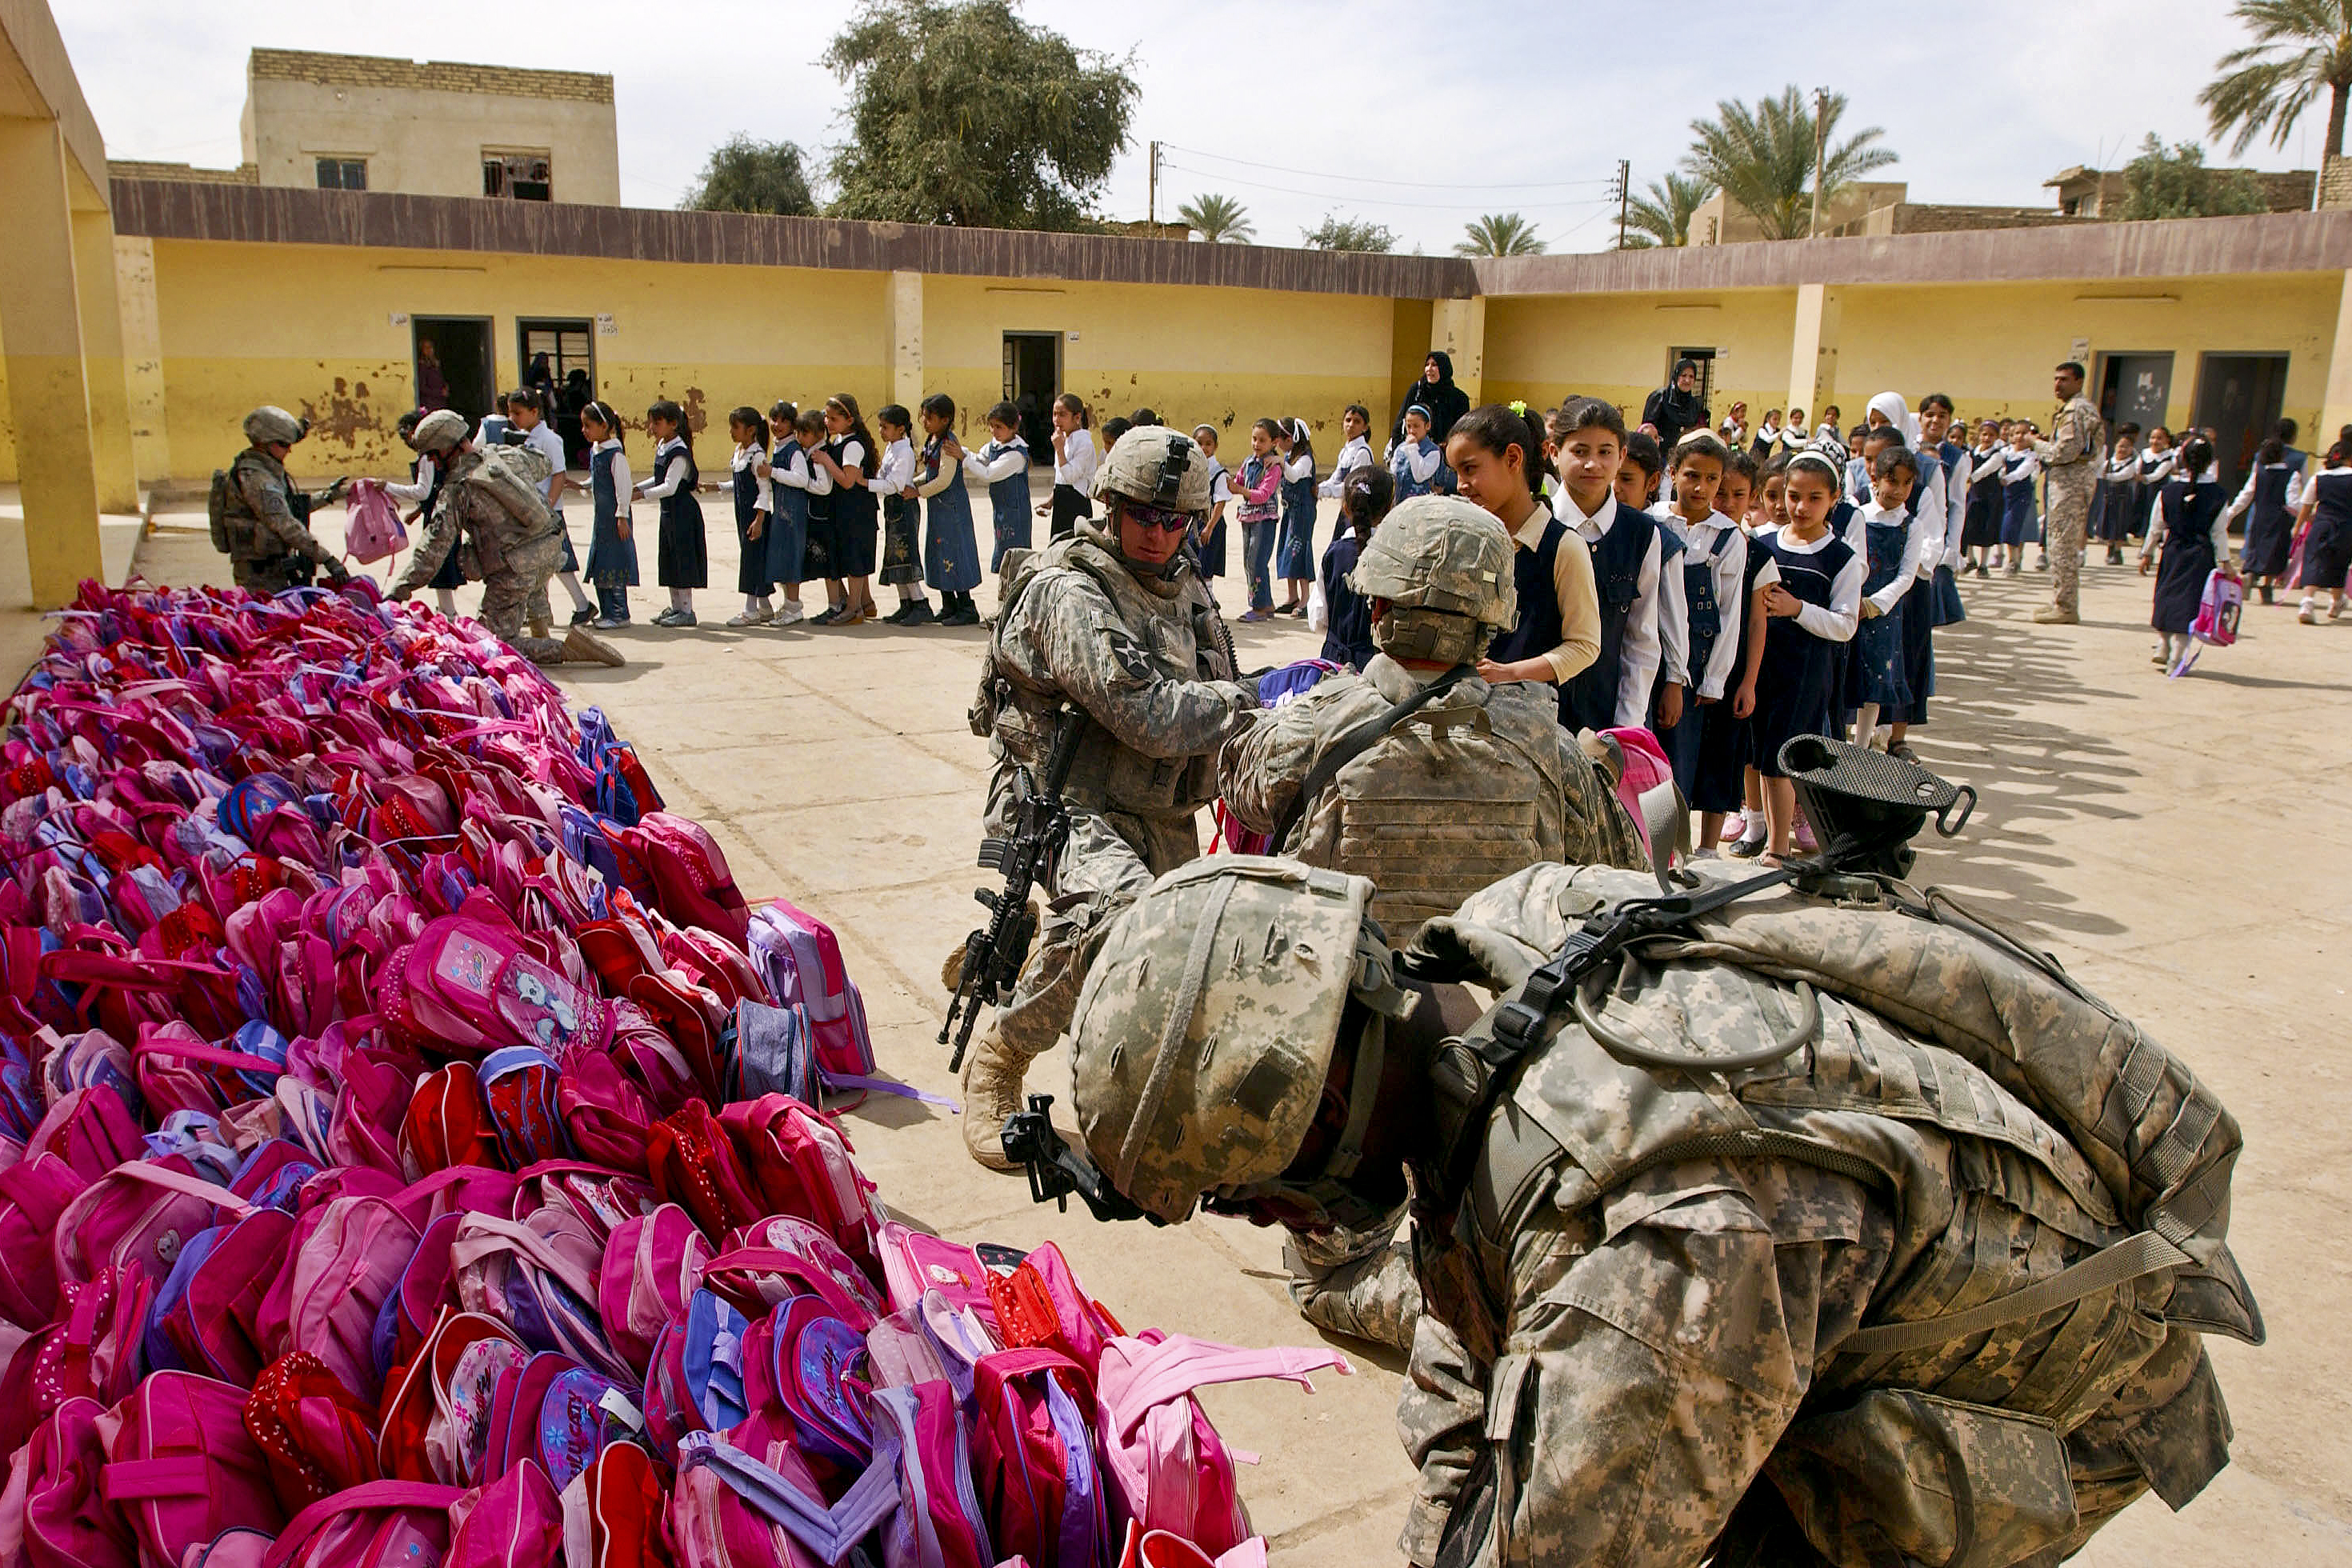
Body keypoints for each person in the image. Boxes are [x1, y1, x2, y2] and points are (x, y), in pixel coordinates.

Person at [1057, 846, 2254, 1568]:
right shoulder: (1500, 952)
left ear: (1319, 1108)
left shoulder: (1658, 1242)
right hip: (1827, 1280)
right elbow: (1469, 1323)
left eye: (1251, 1192)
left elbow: (1579, 1537)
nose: (1270, 1223)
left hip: (2042, 1402)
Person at [958, 425, 1257, 1170]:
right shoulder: (1071, 590)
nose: (1158, 534)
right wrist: (1246, 702)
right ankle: (999, 1059)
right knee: (1115, 918)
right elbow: (1149, 714)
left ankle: (1134, 1074)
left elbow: (1209, 694)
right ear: (1109, 504)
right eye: (1143, 517)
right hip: (1060, 801)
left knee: (1189, 939)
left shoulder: (1186, 586)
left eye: (1175, 520)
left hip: (1155, 805)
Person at [389, 410, 624, 668]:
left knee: (489, 642)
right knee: (532, 580)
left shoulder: (458, 491)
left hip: (514, 570)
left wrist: (394, 595)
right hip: (550, 548)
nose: (433, 464)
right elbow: (544, 463)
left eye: (433, 456)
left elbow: (430, 553)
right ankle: (540, 629)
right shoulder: (504, 455)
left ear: (448, 450)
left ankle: (568, 649)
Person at [1753, 451, 1862, 864]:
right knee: (1764, 757)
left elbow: (1845, 625)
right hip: (1761, 665)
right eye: (1792, 495)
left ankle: (1779, 849)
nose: (1799, 507)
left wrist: (1797, 609)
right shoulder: (1762, 544)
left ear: (1833, 498)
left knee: (1783, 758)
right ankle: (1768, 835)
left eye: (1814, 498)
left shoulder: (1842, 559)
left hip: (1805, 671)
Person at [1454, 404, 1599, 705]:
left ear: (1512, 458)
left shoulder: (1564, 547)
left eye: (1469, 469)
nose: (1460, 485)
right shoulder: (1466, 540)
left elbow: (1584, 646)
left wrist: (1510, 673)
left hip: (1535, 723)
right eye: (1455, 472)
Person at [1654, 434, 1747, 841]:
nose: (1701, 487)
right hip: (1648, 650)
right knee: (1647, 755)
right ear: (1673, 473)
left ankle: (1673, 848)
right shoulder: (1651, 519)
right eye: (1692, 475)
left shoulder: (1727, 537)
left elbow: (1729, 613)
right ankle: (1645, 843)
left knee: (1680, 756)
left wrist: (1713, 678)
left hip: (1695, 663)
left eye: (1712, 479)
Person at [214, 406, 349, 594]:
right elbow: (285, 523)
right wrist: (327, 559)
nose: (289, 451)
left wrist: (329, 496)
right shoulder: (257, 478)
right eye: (284, 444)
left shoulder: (268, 470)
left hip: (272, 564)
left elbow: (290, 507)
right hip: (258, 571)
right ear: (263, 443)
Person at [1844, 445, 1922, 746]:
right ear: (1875, 478)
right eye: (1893, 481)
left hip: (1882, 615)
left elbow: (1906, 576)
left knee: (1875, 679)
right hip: (1849, 605)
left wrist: (1873, 605)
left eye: (1907, 483)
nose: (1899, 490)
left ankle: (1862, 745)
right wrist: (1851, 600)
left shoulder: (1911, 526)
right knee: (1846, 673)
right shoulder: (1857, 517)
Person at [2139, 434, 2232, 670]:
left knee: (2166, 595)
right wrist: (2226, 563)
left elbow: (2156, 526)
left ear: (2182, 459)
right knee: (2190, 603)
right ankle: (2177, 656)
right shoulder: (2219, 495)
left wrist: (2147, 553)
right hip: (2201, 556)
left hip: (2173, 551)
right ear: (2210, 461)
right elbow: (2219, 533)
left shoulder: (2168, 492)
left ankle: (2163, 644)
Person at [509, 389, 596, 630]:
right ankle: (541, 612)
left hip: (548, 512)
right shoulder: (525, 438)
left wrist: (548, 504)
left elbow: (559, 474)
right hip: (533, 510)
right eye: (511, 413)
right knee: (539, 563)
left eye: (518, 412)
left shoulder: (549, 440)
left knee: (558, 561)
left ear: (535, 411)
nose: (513, 417)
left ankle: (582, 605)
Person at [2032, 361, 2102, 622]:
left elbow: (2065, 452)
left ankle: (2066, 606)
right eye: (2056, 379)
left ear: (2079, 382)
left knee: (2062, 544)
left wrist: (2035, 444)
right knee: (2060, 542)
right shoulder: (2076, 409)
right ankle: (2061, 600)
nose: (2057, 384)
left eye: (2064, 379)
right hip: (2071, 481)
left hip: (2070, 483)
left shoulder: (2075, 410)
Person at [632, 399, 706, 627]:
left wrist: (642, 496)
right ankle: (675, 607)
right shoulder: (664, 446)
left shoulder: (680, 452)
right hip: (669, 513)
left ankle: (686, 610)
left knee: (683, 560)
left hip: (682, 512)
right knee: (670, 559)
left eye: (657, 422)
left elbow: (669, 487)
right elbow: (659, 478)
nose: (652, 427)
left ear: (673, 424)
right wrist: (639, 487)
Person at [810, 394, 882, 626]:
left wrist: (826, 461)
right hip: (845, 510)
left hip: (857, 511)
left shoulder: (852, 446)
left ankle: (854, 608)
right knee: (851, 555)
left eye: (834, 419)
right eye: (826, 418)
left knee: (855, 559)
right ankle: (866, 602)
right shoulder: (841, 441)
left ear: (849, 420)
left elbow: (848, 481)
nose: (828, 423)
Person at [915, 393, 983, 626]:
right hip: (938, 510)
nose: (925, 422)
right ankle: (948, 604)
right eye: (923, 417)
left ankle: (966, 607)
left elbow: (944, 479)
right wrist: (916, 481)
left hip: (952, 510)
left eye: (929, 418)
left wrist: (918, 492)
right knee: (938, 554)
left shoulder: (948, 445)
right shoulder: (932, 441)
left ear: (945, 420)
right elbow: (932, 473)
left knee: (955, 555)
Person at [1314, 466, 1389, 671]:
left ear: (1345, 508)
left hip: (1333, 662)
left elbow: (1319, 618)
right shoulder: (1395, 556)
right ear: (1390, 507)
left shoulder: (1333, 554)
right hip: (1377, 666)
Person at [2227, 423, 2306, 604]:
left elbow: (2246, 494)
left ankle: (2249, 574)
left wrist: (2232, 512)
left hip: (2259, 516)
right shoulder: (2291, 474)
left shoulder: (2259, 473)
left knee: (2255, 547)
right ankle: (2267, 586)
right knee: (2275, 552)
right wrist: (2300, 517)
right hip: (2279, 520)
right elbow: (2293, 501)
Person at [578, 399, 637, 629]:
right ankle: (607, 613)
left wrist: (622, 516)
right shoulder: (596, 452)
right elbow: (596, 481)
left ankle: (620, 614)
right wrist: (579, 486)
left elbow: (624, 487)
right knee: (601, 564)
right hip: (601, 521)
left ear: (604, 427)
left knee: (614, 563)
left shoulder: (615, 456)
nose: (584, 431)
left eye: (588, 426)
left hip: (614, 520)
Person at [2287, 438, 2352, 625]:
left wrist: (2297, 527)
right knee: (2339, 565)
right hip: (2347, 529)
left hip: (2322, 526)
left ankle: (2308, 601)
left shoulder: (2319, 477)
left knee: (2314, 560)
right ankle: (2336, 602)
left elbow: (2306, 506)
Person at [874, 404, 928, 625]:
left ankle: (920, 603)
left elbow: (894, 483)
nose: (881, 431)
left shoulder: (904, 451)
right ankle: (905, 603)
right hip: (892, 506)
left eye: (885, 427)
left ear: (900, 429)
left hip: (903, 506)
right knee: (894, 556)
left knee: (906, 554)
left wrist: (865, 484)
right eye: (880, 426)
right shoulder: (891, 448)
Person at [721, 406, 775, 626]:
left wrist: (759, 520)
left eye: (736, 427)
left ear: (751, 430)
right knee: (753, 558)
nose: (732, 431)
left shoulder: (757, 455)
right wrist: (717, 486)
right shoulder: (739, 452)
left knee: (751, 560)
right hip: (742, 514)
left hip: (755, 516)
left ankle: (750, 609)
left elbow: (763, 489)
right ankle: (765, 606)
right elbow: (741, 484)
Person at [759, 402, 812, 624]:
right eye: (774, 420)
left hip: (793, 511)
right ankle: (789, 604)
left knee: (791, 556)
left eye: (783, 421)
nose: (777, 425)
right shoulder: (780, 447)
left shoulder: (794, 450)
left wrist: (774, 471)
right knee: (781, 555)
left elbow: (802, 479)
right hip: (782, 511)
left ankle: (794, 607)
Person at [1233, 418, 1284, 622]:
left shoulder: (1273, 466)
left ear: (1274, 442)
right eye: (1254, 439)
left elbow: (1263, 495)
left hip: (1264, 519)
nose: (1256, 444)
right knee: (1248, 561)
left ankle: (1259, 606)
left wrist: (1240, 490)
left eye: (1262, 440)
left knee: (1257, 561)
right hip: (1248, 517)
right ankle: (1266, 603)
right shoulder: (1248, 462)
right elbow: (1238, 480)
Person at [972, 402, 1033, 574]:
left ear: (1013, 427)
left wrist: (963, 457)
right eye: (991, 426)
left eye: (999, 427)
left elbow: (988, 474)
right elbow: (979, 459)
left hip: (1016, 513)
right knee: (1003, 551)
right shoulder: (993, 446)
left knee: (1016, 557)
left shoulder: (1016, 455)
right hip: (1001, 510)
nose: (994, 431)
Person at [1038, 393, 1097, 542]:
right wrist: (1052, 499)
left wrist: (1059, 449)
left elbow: (1071, 477)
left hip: (1076, 503)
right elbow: (1061, 476)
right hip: (1062, 500)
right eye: (1054, 414)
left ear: (1077, 418)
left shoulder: (1084, 443)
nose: (1057, 420)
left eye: (1062, 415)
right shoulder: (1064, 438)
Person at [1274, 418, 1318, 615]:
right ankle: (1292, 596)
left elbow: (1293, 476)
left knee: (1299, 552)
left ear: (1290, 438)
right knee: (1286, 550)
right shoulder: (1289, 455)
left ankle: (1305, 598)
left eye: (1279, 438)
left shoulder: (1305, 459)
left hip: (1302, 511)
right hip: (1290, 510)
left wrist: (1281, 463)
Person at [1390, 351, 1470, 448]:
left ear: (1444, 368)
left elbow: (1462, 432)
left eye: (1434, 365)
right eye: (1427, 365)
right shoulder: (1417, 390)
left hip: (1446, 454)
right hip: (1415, 449)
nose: (1429, 369)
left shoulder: (1459, 398)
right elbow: (1401, 420)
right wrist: (1396, 450)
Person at [1641, 357, 1710, 456]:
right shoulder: (1661, 397)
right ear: (1676, 376)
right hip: (1658, 456)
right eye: (1684, 375)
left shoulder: (1694, 405)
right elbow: (1647, 429)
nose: (1687, 380)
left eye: (1691, 377)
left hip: (1681, 457)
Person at [1191, 423, 1230, 582]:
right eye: (1199, 443)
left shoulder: (1218, 473)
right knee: (1191, 566)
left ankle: (1208, 603)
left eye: (1208, 444)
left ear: (1215, 446)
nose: (1203, 447)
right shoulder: (1193, 469)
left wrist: (1209, 528)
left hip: (1211, 525)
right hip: (1195, 524)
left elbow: (1220, 503)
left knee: (1205, 570)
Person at [1389, 405, 1446, 501]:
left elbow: (1419, 476)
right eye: (1409, 426)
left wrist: (1412, 448)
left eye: (1416, 426)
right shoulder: (1401, 448)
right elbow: (1393, 474)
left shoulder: (1433, 451)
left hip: (1420, 506)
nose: (1412, 431)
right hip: (1399, 503)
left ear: (1427, 426)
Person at [1318, 404, 1374, 501]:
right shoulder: (1345, 451)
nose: (1351, 425)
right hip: (1347, 503)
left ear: (1365, 427)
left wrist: (1322, 491)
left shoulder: (1363, 453)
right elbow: (1336, 479)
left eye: (1357, 422)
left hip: (1359, 506)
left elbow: (1351, 486)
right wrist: (1320, 487)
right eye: (1348, 420)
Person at [415, 338, 448, 412]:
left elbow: (441, 380)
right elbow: (422, 388)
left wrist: (445, 387)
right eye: (426, 348)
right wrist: (440, 392)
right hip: (429, 405)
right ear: (422, 350)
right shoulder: (422, 366)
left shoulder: (436, 364)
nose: (429, 350)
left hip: (440, 403)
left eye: (431, 347)